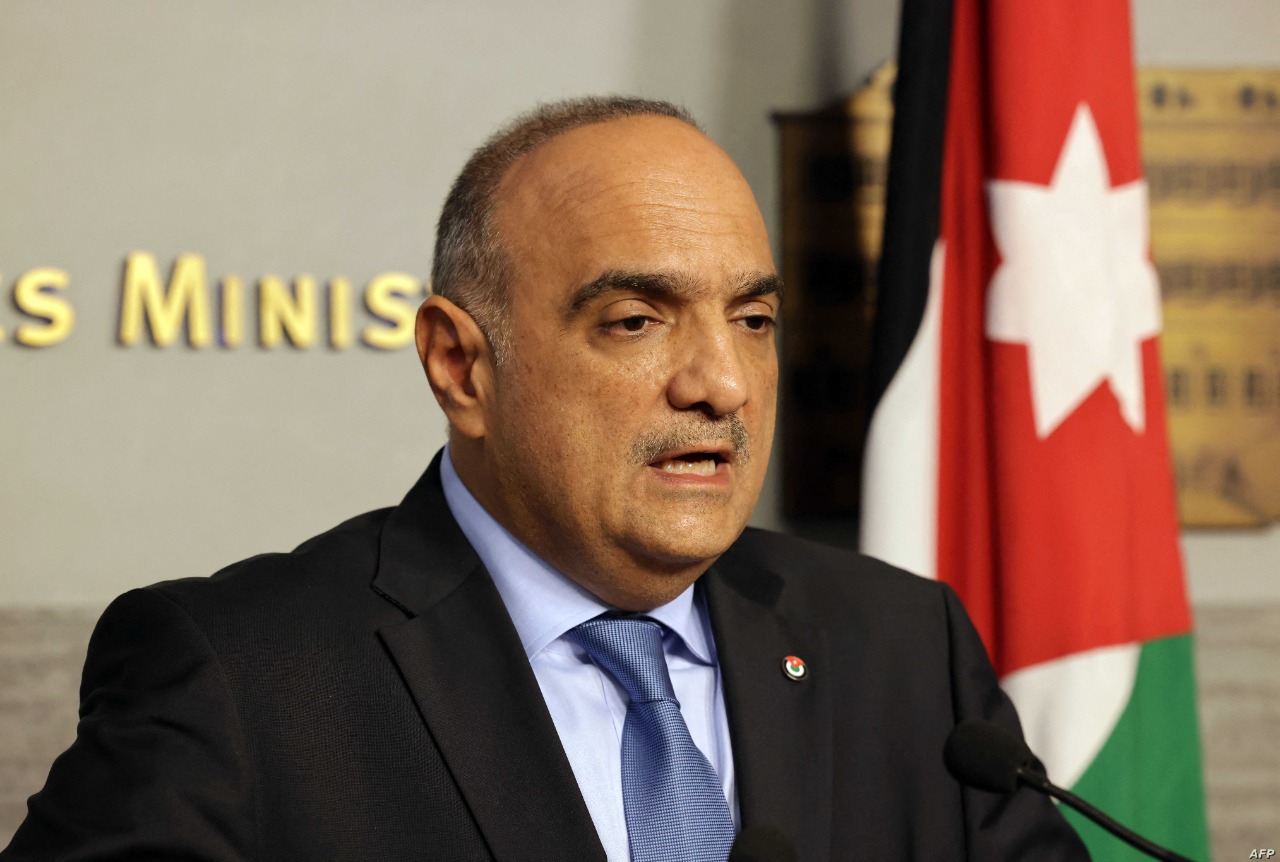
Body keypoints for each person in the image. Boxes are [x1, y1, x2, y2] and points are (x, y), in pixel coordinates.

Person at [2, 97, 1088, 861]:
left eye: (753, 320)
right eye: (636, 320)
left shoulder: (903, 649)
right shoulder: (242, 677)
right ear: (459, 365)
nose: (722, 382)